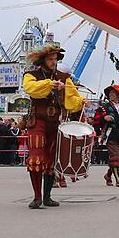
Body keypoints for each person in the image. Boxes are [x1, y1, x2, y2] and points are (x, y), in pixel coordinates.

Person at [22, 44, 84, 209]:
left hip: (54, 123)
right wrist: (50, 85)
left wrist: (80, 101)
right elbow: (30, 89)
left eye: (55, 59)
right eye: (50, 59)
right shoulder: (31, 75)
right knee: (36, 157)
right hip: (38, 121)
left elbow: (71, 101)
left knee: (50, 160)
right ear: (43, 60)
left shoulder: (65, 77)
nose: (54, 62)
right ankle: (37, 197)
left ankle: (47, 196)